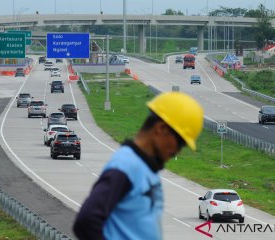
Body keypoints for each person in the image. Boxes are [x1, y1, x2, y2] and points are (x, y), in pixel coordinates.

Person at [73, 91, 204, 240]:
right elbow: (86, 221)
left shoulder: (145, 168)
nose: (177, 151)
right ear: (161, 128)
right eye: (180, 143)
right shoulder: (126, 166)